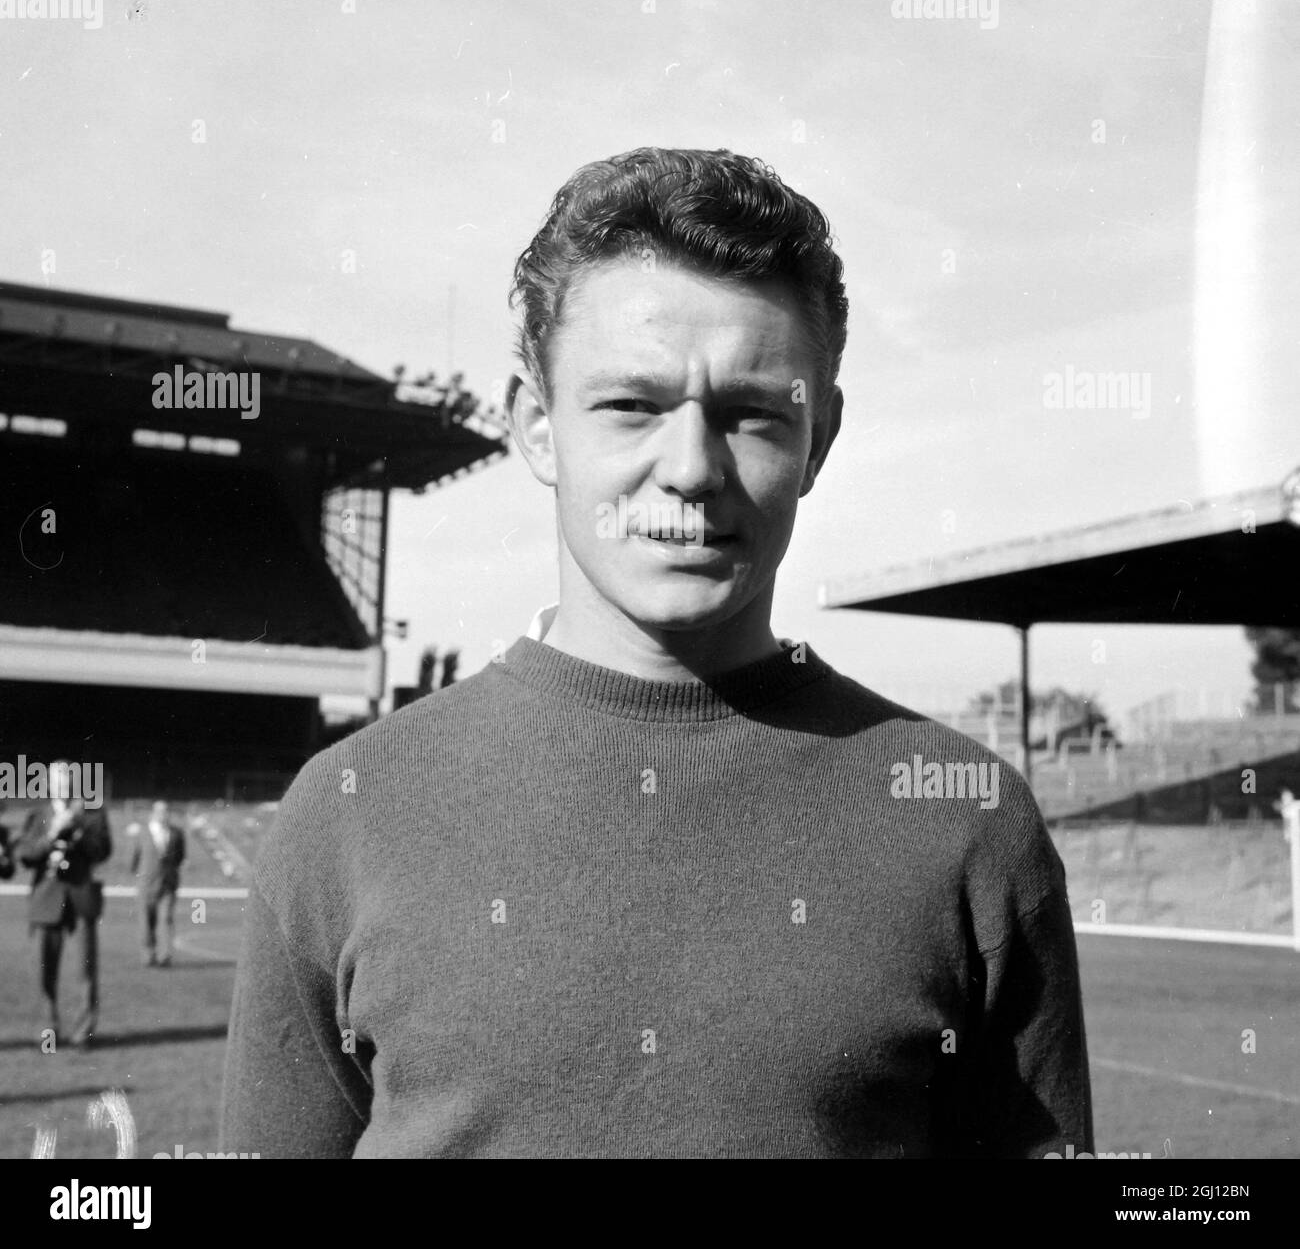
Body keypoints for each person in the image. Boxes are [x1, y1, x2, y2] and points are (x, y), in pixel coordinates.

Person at [222, 147, 1093, 1157]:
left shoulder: (966, 820)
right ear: (537, 427)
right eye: (632, 405)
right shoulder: (348, 812)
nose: (690, 468)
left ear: (820, 439)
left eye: (751, 414)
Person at [16, 770, 113, 1049]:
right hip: (47, 900)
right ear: (48, 784)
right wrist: (52, 834)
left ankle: (84, 1033)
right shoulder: (38, 815)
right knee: (46, 970)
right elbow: (26, 855)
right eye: (57, 781)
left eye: (68, 780)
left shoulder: (93, 812)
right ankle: (48, 1031)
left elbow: (104, 850)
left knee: (86, 969)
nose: (63, 786)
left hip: (82, 898)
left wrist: (78, 830)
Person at [130, 799, 186, 966]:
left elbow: (179, 857)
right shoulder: (142, 832)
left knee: (166, 919)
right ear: (153, 814)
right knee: (146, 924)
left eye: (166, 811)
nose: (164, 815)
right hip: (146, 886)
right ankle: (149, 955)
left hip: (167, 885)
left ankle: (164, 956)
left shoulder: (177, 833)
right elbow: (134, 859)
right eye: (160, 811)